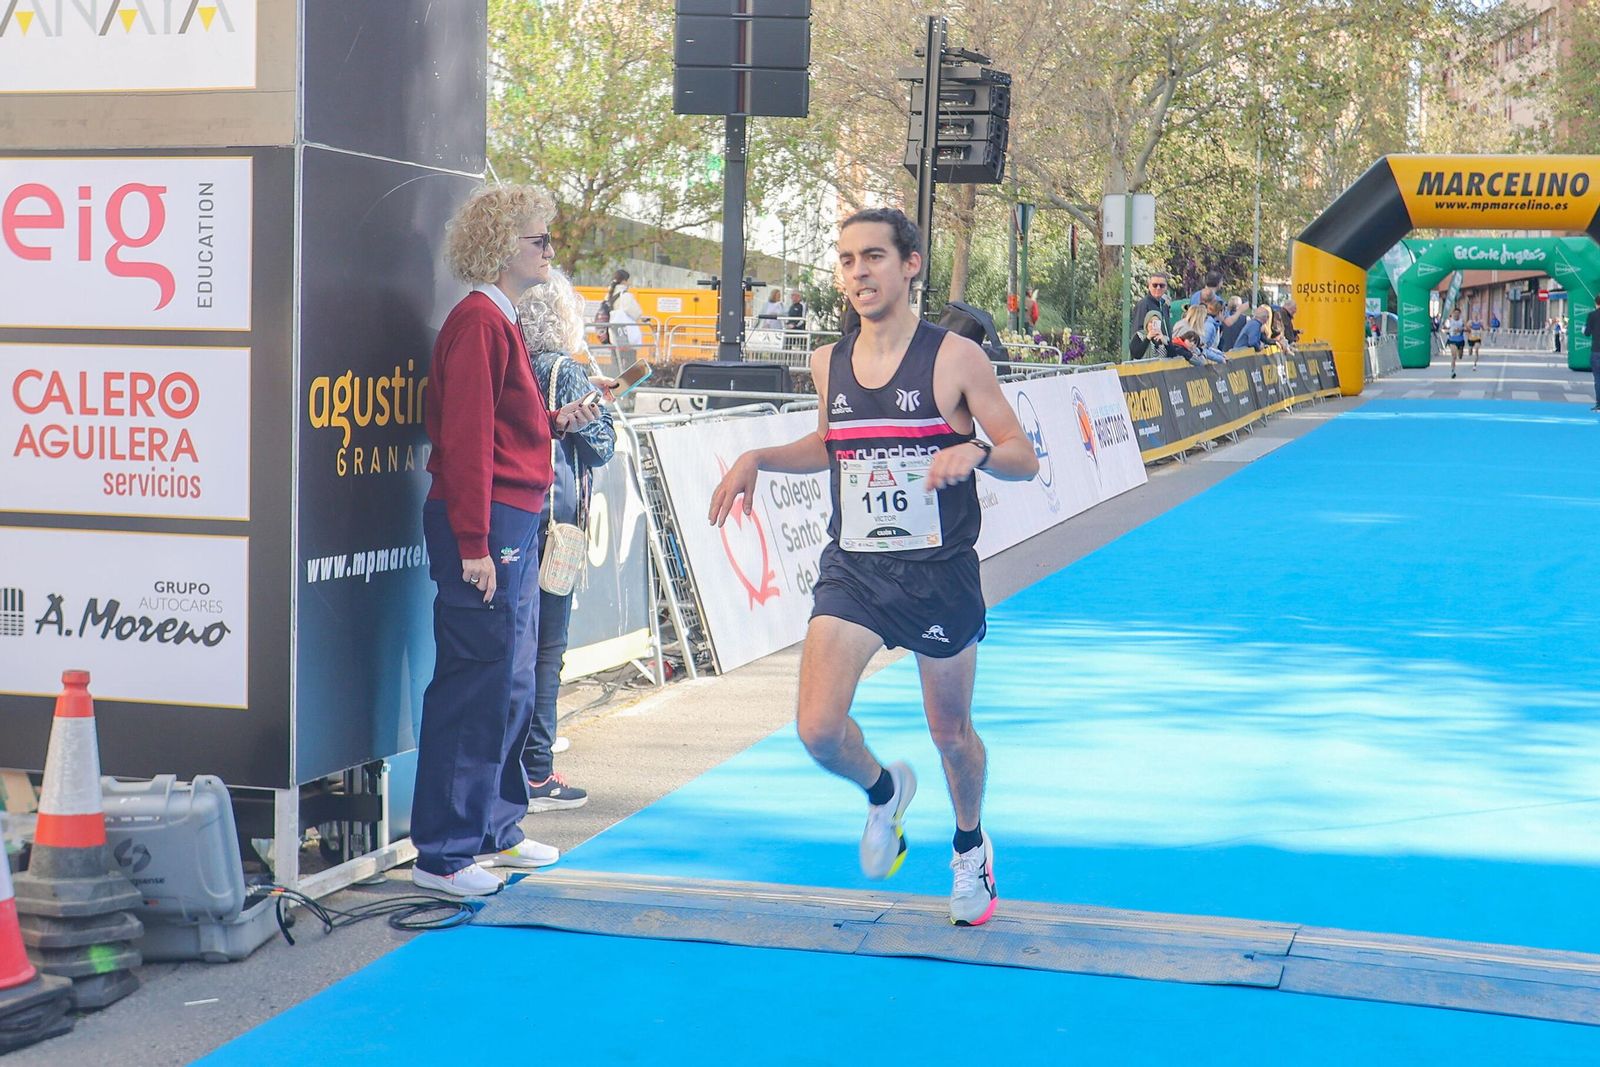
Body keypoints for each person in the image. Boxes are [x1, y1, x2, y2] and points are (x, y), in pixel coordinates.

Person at [709, 207, 1038, 926]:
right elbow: (834, 444)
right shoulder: (829, 361)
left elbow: (1023, 454)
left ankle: (969, 844)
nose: (858, 272)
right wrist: (758, 457)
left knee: (950, 733)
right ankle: (885, 791)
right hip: (854, 568)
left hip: (937, 574)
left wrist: (975, 452)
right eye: (848, 259)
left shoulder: (954, 358)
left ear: (910, 264)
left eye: (874, 257)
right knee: (818, 728)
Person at [412, 184, 601, 897]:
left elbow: (492, 429)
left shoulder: (497, 322)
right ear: (502, 248)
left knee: (510, 679)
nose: (549, 250)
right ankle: (444, 851)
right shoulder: (479, 324)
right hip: (489, 523)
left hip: (507, 519)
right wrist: (473, 543)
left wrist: (552, 422)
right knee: (478, 680)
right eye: (539, 240)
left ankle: (493, 827)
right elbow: (462, 440)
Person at [516, 268, 619, 812]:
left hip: (516, 518)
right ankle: (537, 770)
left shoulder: (516, 362)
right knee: (548, 649)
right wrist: (600, 407)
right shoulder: (566, 370)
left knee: (518, 649)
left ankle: (520, 759)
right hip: (558, 525)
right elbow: (601, 446)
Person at [1128, 273, 1171, 359]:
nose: (1158, 288)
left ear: (1166, 288)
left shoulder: (1165, 306)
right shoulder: (1143, 304)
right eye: (1155, 285)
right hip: (1146, 356)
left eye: (1161, 285)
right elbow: (1138, 332)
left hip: (1163, 354)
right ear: (1149, 286)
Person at [607, 269, 645, 365]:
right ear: (624, 281)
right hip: (625, 333)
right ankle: (629, 379)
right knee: (630, 361)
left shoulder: (609, 295)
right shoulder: (626, 296)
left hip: (613, 332)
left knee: (616, 362)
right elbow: (636, 312)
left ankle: (615, 378)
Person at [1584, 293, 1600, 411]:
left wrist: (1583, 329)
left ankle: (1599, 404)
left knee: (1598, 378)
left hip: (1596, 351)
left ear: (1596, 303)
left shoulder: (1592, 315)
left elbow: (1587, 332)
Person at [1444, 307, 1465, 378]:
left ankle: (1461, 351)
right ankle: (1452, 371)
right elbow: (1444, 328)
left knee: (1460, 356)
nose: (1456, 315)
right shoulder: (1450, 321)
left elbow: (1467, 328)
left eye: (1458, 313)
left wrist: (1461, 329)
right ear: (1453, 314)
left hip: (1460, 340)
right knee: (1454, 356)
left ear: (1460, 314)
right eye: (1455, 313)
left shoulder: (1462, 321)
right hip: (1452, 340)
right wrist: (1446, 330)